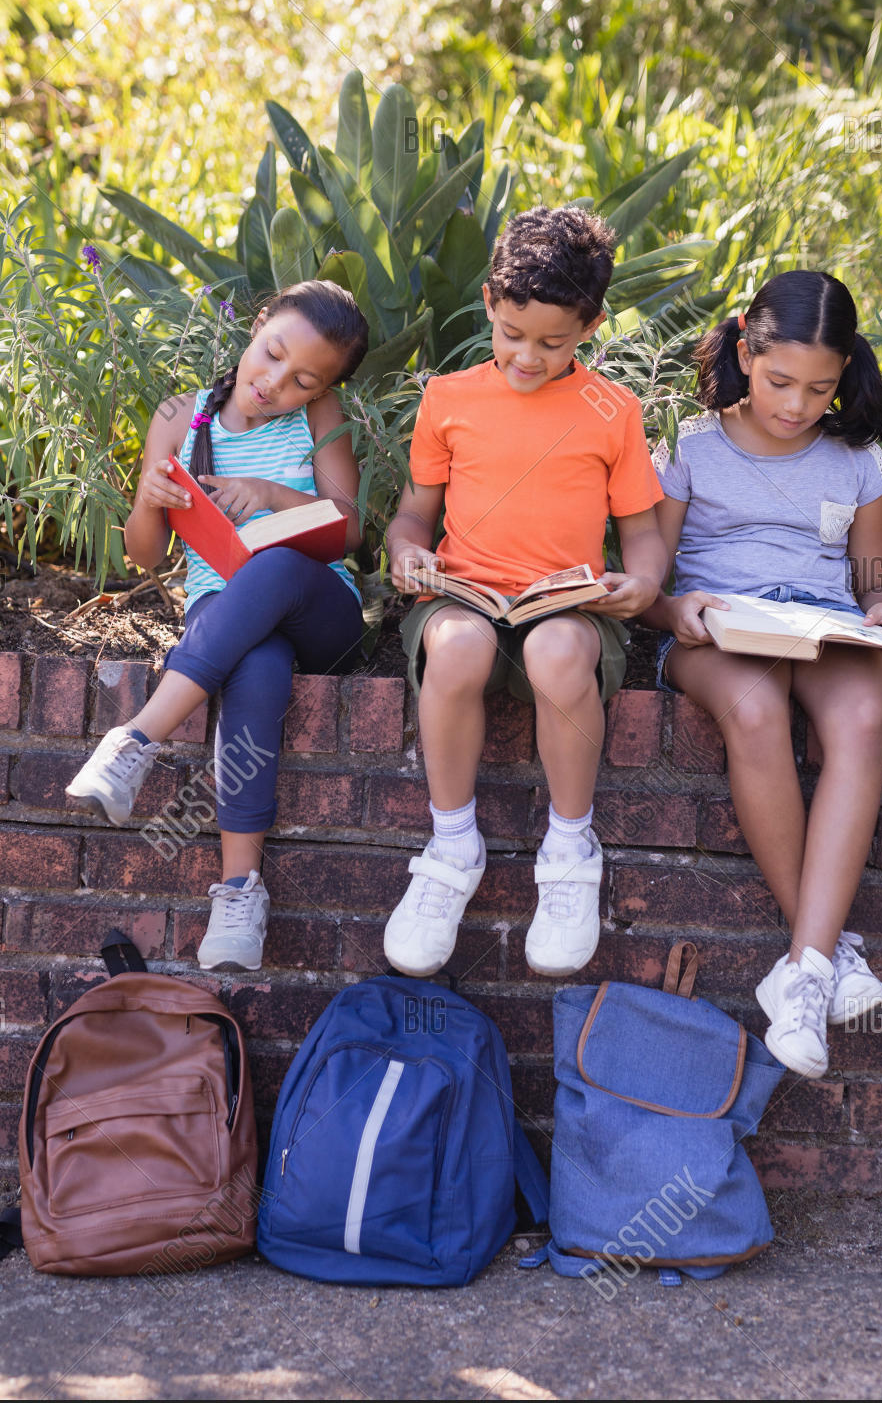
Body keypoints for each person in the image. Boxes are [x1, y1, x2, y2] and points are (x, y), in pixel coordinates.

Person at [383, 205, 666, 979]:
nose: (527, 357)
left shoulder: (615, 411)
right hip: (462, 598)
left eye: (553, 342)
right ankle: (451, 846)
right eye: (513, 335)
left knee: (557, 650)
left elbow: (641, 535)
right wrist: (408, 553)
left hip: (566, 606)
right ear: (488, 305)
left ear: (592, 324)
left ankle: (571, 849)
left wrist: (639, 584)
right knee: (461, 644)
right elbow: (414, 512)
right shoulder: (449, 399)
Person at [640, 269, 882, 1077]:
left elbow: (874, 579)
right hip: (720, 624)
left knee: (865, 713)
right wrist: (675, 611)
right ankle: (825, 960)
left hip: (822, 621)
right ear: (746, 352)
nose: (796, 405)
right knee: (755, 711)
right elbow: (646, 584)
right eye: (780, 380)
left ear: (845, 376)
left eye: (820, 389)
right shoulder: (689, 449)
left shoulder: (857, 461)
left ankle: (803, 968)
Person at [66, 280, 369, 972]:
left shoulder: (319, 415)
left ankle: (138, 738)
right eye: (271, 355)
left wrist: (267, 496)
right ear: (257, 326)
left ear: (323, 388)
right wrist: (149, 498)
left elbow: (351, 526)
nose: (275, 383)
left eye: (303, 381)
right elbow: (144, 556)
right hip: (223, 617)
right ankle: (239, 892)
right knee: (257, 665)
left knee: (270, 567)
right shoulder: (181, 415)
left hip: (322, 608)